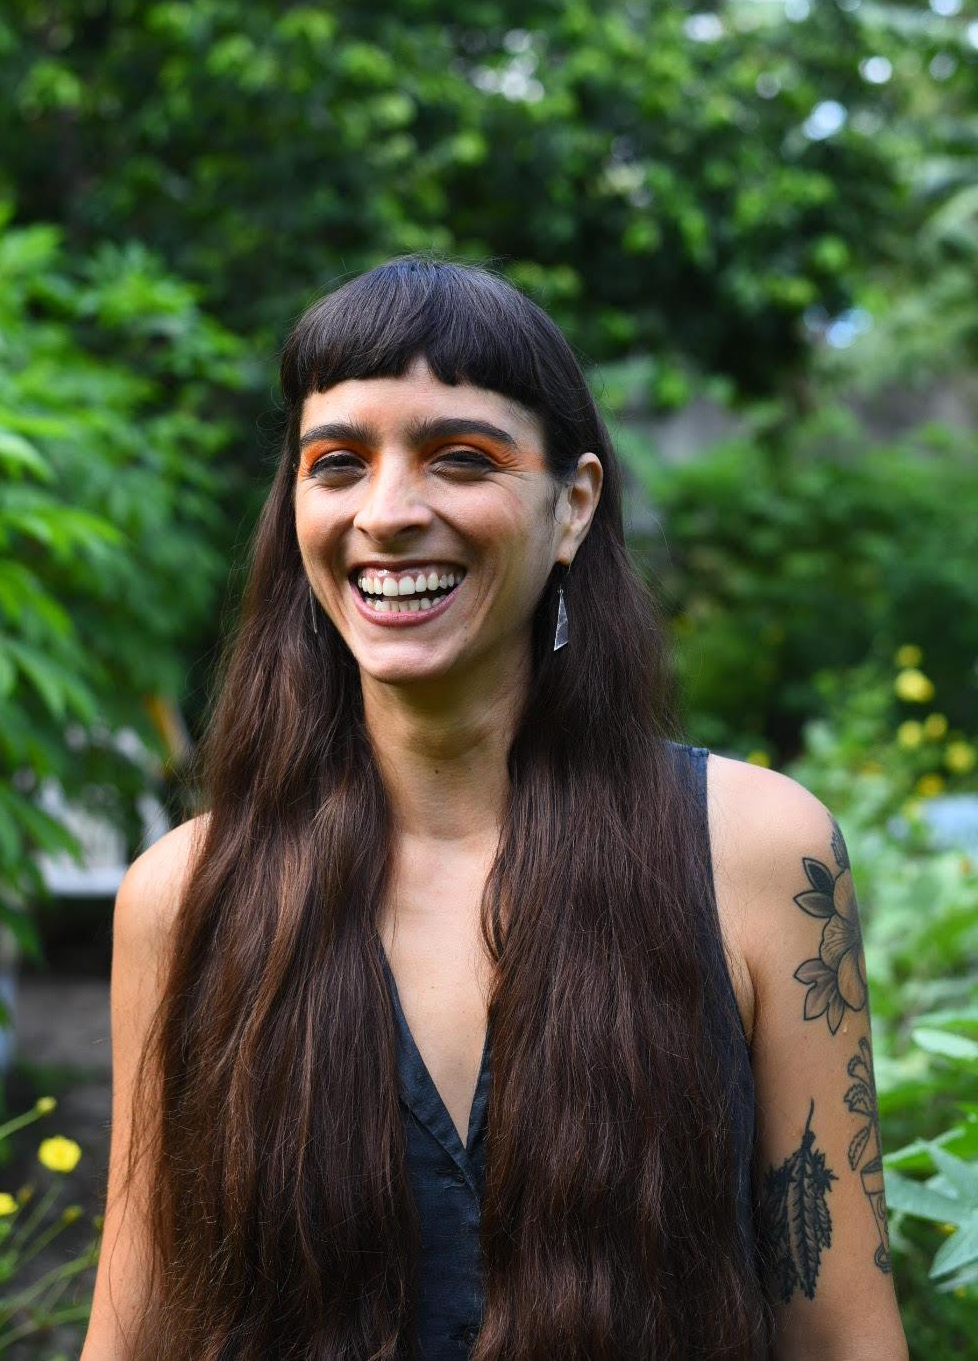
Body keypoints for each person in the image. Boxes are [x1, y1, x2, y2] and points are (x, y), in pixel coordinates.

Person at [81, 257, 909, 1360]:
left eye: (460, 458)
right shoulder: (184, 897)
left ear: (574, 507)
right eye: (337, 465)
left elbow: (844, 1338)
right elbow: (136, 1331)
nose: (387, 512)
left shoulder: (757, 857)